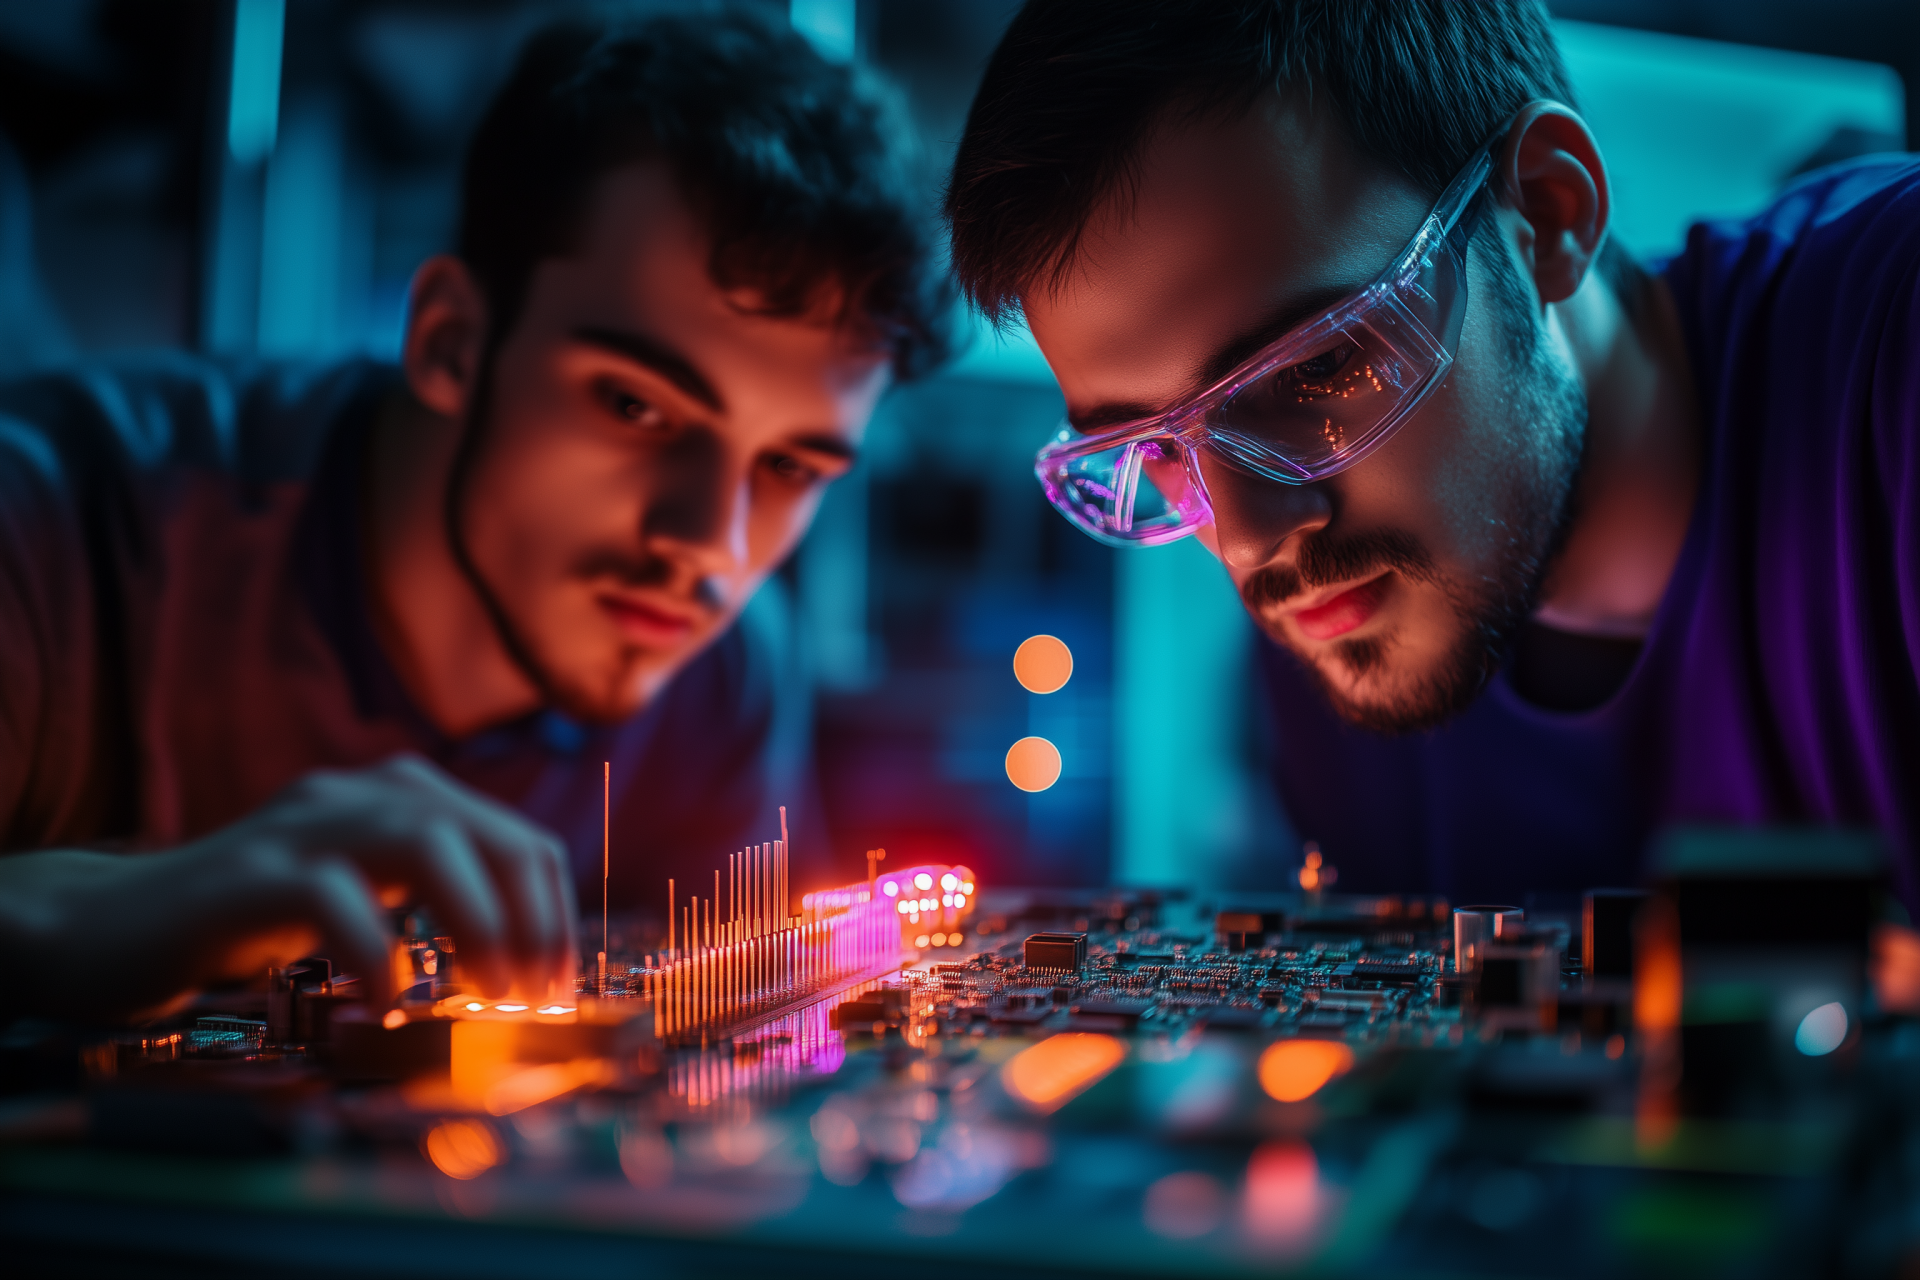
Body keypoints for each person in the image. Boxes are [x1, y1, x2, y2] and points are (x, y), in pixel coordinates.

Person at [0, 11, 948, 1023]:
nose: (709, 544)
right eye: (636, 405)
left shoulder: (724, 672)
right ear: (451, 339)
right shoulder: (55, 519)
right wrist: (74, 919)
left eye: (791, 465)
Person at [945, 1, 1920, 908]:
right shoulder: (1342, 644)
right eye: (1154, 447)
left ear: (1545, 213)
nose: (1246, 540)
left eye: (1314, 370)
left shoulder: (1889, 353)